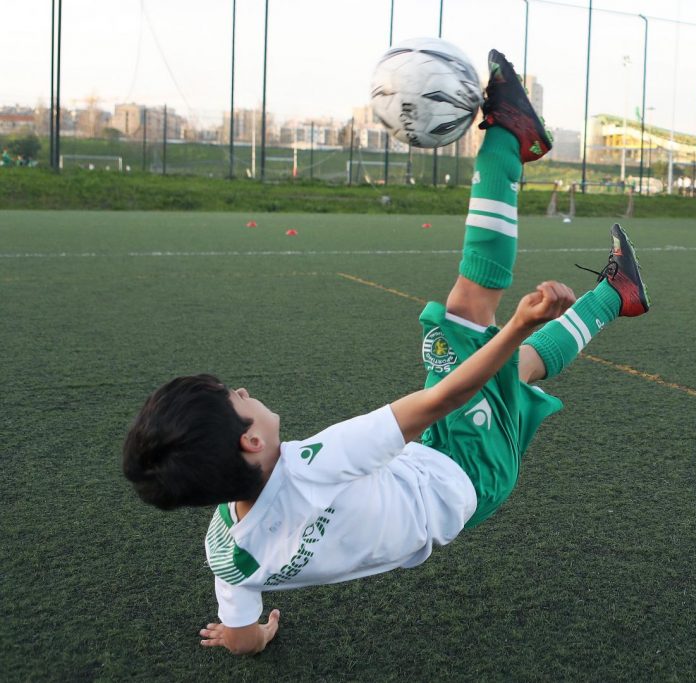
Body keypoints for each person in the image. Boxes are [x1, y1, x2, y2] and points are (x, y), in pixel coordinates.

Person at [122, 49, 651, 656]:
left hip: (447, 488)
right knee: (465, 317)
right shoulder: (310, 467)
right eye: (236, 399)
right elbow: (445, 396)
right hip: (464, 469)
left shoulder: (230, 552)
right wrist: (520, 322)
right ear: (250, 441)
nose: (243, 391)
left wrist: (256, 633)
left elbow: (240, 636)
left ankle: (617, 296)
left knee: (510, 373)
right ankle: (510, 139)